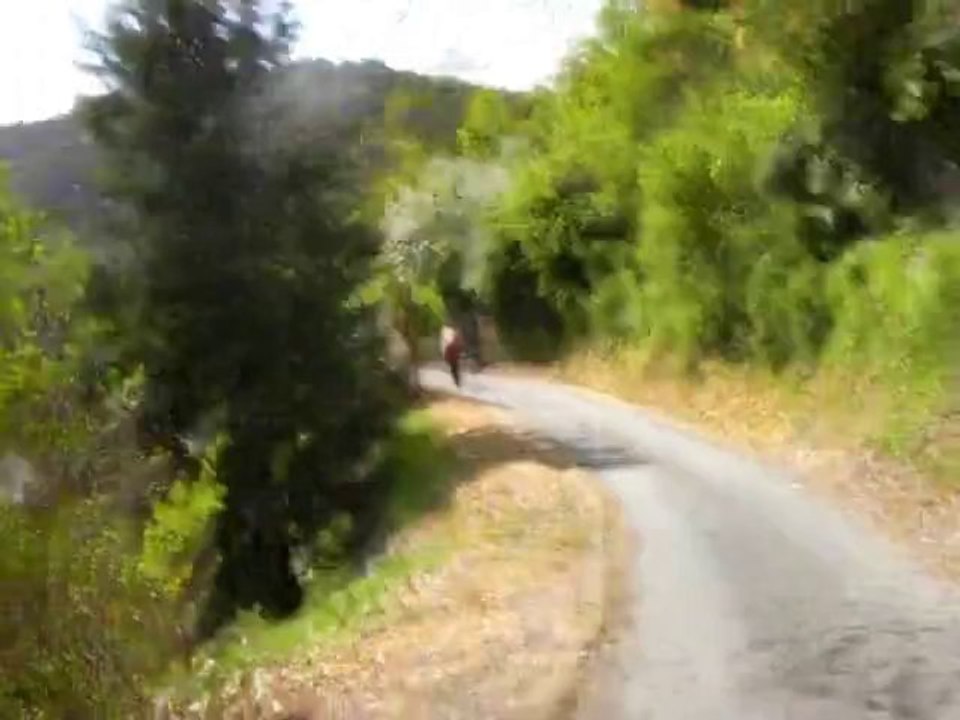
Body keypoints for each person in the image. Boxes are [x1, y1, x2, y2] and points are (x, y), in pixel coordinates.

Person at [440, 323, 464, 387]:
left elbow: (457, 351)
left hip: (453, 359)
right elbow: (457, 351)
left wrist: (446, 358)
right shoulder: (452, 345)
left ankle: (457, 381)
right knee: (455, 370)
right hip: (453, 359)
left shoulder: (452, 345)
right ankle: (457, 381)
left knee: (454, 370)